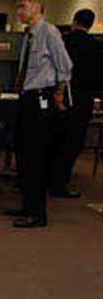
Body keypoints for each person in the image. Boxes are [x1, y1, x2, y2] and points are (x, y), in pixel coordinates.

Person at [2, 0, 73, 228]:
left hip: (42, 98)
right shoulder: (28, 35)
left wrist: (59, 94)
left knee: (36, 157)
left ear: (36, 6)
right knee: (23, 153)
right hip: (27, 98)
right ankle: (27, 205)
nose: (19, 11)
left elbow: (65, 66)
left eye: (22, 6)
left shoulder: (49, 32)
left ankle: (37, 213)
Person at [51, 9, 103, 198]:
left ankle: (44, 180)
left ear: (74, 21)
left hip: (57, 98)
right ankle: (59, 185)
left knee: (52, 141)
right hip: (82, 102)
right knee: (71, 145)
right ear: (90, 25)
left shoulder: (61, 41)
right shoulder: (96, 47)